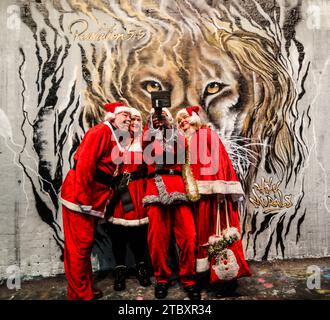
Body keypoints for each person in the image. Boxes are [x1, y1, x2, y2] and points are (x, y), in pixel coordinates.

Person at [60, 102, 132, 300]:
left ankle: (82, 289)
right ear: (112, 116)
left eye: (129, 116)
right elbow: (84, 164)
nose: (127, 118)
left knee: (84, 245)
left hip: (94, 199)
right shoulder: (99, 132)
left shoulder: (118, 137)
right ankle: (81, 294)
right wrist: (84, 198)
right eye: (124, 115)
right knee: (79, 247)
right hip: (80, 197)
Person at [176, 106, 251, 295]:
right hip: (195, 198)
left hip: (216, 197)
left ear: (194, 119)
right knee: (203, 238)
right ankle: (207, 276)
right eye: (180, 120)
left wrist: (220, 190)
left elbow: (221, 161)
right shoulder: (182, 143)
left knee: (221, 235)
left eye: (186, 118)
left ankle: (226, 280)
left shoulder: (206, 134)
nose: (183, 122)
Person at [142, 107, 200, 300]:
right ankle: (162, 279)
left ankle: (189, 279)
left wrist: (169, 129)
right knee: (157, 240)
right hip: (155, 189)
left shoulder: (178, 136)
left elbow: (183, 152)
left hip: (178, 187)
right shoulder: (147, 135)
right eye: (157, 117)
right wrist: (154, 128)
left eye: (164, 116)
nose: (160, 119)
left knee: (189, 237)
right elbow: (147, 151)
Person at [105, 107, 151, 291]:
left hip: (139, 190)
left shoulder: (146, 140)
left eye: (138, 119)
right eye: (131, 119)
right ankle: (120, 269)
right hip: (120, 190)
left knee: (138, 232)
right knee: (118, 232)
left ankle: (141, 266)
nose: (134, 122)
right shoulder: (118, 139)